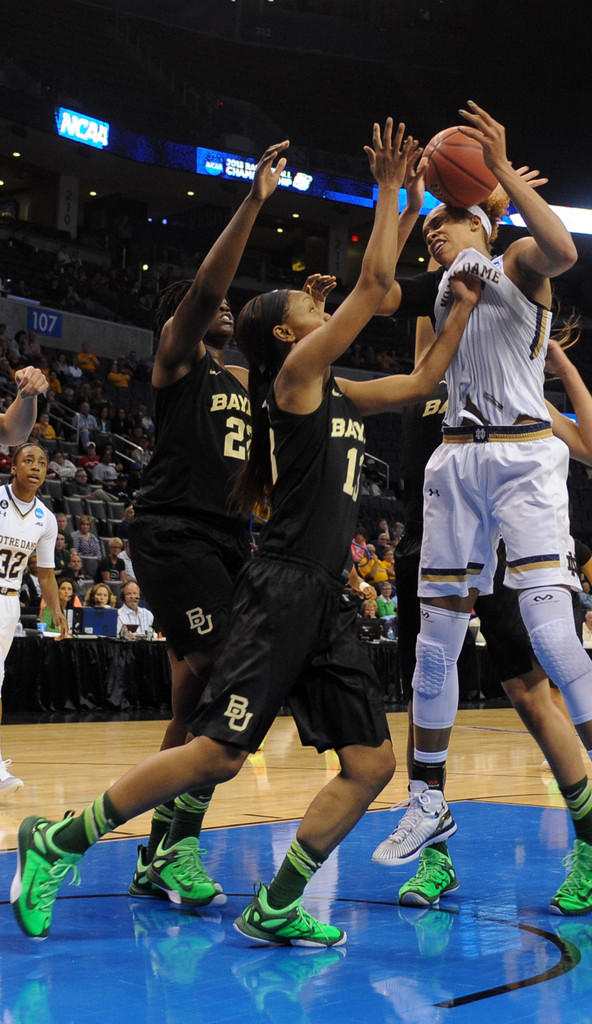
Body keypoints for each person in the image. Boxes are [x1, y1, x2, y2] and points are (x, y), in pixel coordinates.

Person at [10, 119, 481, 943]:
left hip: (322, 596)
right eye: (307, 303)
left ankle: (276, 904)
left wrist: (459, 300)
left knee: (372, 764)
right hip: (279, 585)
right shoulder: (294, 380)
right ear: (293, 337)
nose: (319, 298)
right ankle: (60, 841)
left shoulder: (327, 388)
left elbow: (420, 380)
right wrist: (392, 191)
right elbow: (375, 290)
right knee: (218, 750)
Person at [371, 103, 592, 909]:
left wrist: (495, 179)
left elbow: (563, 248)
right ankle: (427, 797)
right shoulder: (440, 293)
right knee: (434, 643)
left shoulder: (521, 262)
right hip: (454, 462)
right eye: (432, 225)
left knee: (547, 639)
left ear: (484, 226)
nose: (435, 232)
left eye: (447, 221)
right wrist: (398, 202)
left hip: (524, 458)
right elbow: (409, 350)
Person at [122, 139, 291, 903]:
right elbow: (203, 293)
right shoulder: (178, 359)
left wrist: (295, 320)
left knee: (194, 709)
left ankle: (157, 850)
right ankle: (170, 846)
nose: (222, 303)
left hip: (226, 545)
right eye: (206, 302)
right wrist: (253, 201)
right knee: (234, 681)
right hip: (174, 533)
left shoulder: (238, 381)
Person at [0, 444, 67, 798]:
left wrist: (55, 610)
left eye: (42, 462)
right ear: (13, 466)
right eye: (28, 460)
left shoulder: (46, 518)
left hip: (9, 605)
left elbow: (45, 574)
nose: (36, 466)